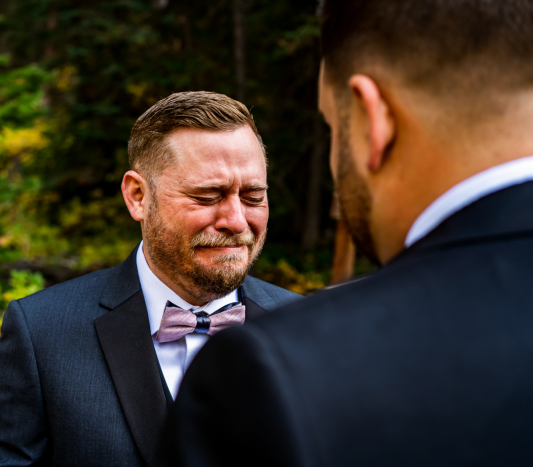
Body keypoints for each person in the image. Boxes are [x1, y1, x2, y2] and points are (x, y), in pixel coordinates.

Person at [162, 1, 533, 466]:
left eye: (333, 127)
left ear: (372, 119)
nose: (236, 219)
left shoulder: (280, 370)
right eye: (206, 195)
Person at [0, 91, 300, 467]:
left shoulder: (307, 328)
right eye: (206, 195)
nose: (236, 220)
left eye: (253, 195)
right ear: (138, 196)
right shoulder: (41, 334)